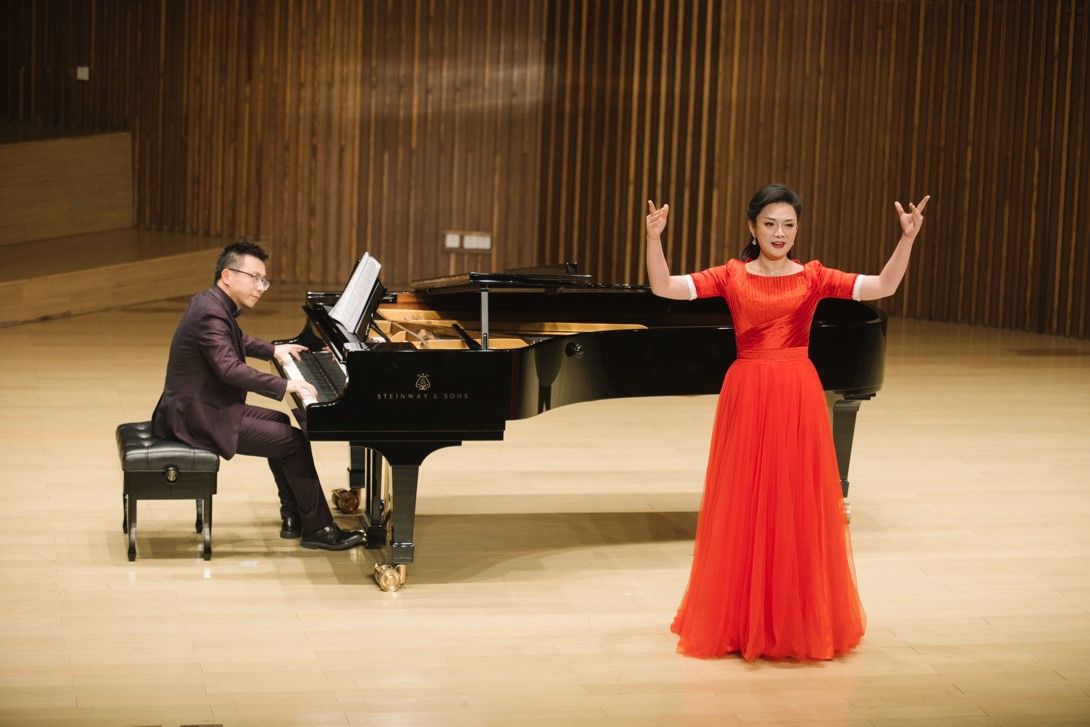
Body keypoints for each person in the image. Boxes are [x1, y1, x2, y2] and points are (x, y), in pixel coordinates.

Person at [645, 184, 929, 660]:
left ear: (798, 229)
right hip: (748, 391)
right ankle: (743, 621)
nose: (780, 233)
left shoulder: (813, 277)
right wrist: (654, 240)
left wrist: (907, 239)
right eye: (770, 224)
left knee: (794, 502)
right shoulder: (732, 275)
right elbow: (664, 288)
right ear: (752, 228)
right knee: (746, 501)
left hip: (797, 393)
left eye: (789, 225)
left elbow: (883, 286)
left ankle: (794, 620)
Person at [152, 239, 364, 550]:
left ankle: (294, 515)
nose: (261, 287)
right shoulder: (211, 313)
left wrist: (274, 350)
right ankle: (319, 529)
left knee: (281, 422)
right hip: (197, 418)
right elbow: (229, 369)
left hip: (199, 407)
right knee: (292, 442)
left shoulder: (211, 303)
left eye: (264, 280)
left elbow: (237, 340)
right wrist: (285, 385)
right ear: (227, 276)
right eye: (255, 278)